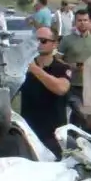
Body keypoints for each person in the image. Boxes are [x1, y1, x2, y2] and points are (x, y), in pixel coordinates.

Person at [20, 26, 73, 157]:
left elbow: (61, 89)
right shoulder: (23, 68)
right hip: (29, 133)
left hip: (54, 134)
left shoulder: (62, 67)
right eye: (35, 40)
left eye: (43, 41)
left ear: (55, 44)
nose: (38, 44)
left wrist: (35, 69)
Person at [59, 11, 91, 126]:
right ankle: (74, 136)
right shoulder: (67, 40)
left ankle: (81, 139)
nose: (82, 23)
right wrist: (71, 66)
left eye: (85, 20)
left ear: (89, 22)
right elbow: (57, 60)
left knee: (86, 117)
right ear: (75, 22)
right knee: (80, 113)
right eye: (79, 20)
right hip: (73, 86)